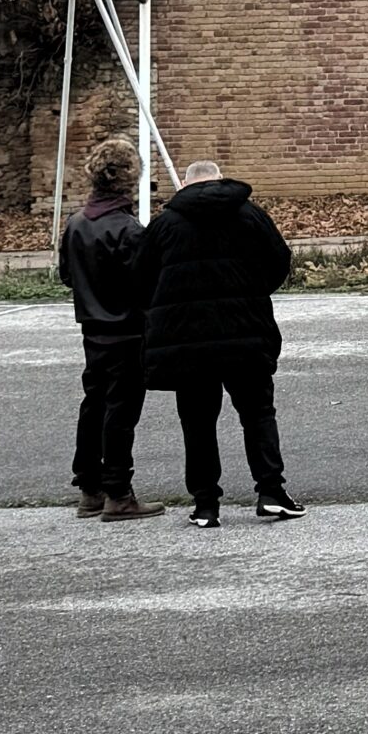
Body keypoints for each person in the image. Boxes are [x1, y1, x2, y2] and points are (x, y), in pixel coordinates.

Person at [133, 158, 304, 527]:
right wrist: (253, 293)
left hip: (187, 341)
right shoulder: (250, 215)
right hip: (247, 332)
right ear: (220, 179)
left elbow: (140, 277)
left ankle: (205, 504)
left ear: (186, 185)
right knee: (257, 414)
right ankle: (271, 491)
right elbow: (279, 261)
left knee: (197, 421)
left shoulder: (164, 225)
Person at [57, 135, 166, 521]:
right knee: (121, 413)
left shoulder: (75, 225)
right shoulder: (129, 230)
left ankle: (90, 487)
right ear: (129, 179)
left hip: (92, 330)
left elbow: (68, 276)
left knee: (93, 405)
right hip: (128, 332)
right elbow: (146, 285)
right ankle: (118, 492)